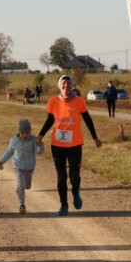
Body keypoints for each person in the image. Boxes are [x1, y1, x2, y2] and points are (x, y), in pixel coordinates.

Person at [36, 75, 102, 216]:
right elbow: (49, 121)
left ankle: (76, 191)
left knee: (74, 176)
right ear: (59, 86)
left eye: (68, 83)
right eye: (63, 83)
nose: (66, 86)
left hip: (75, 144)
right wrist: (41, 135)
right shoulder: (53, 101)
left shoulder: (79, 101)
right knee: (61, 177)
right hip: (57, 145)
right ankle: (63, 205)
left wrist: (95, 138)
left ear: (73, 86)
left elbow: (88, 120)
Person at [0, 119, 44, 214]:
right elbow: (9, 152)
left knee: (27, 186)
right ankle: (22, 205)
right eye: (23, 134)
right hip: (18, 166)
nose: (25, 136)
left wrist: (40, 145)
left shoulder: (32, 139)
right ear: (19, 132)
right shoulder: (14, 140)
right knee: (20, 185)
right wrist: (1, 161)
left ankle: (28, 185)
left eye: (27, 134)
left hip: (30, 167)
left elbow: (39, 151)